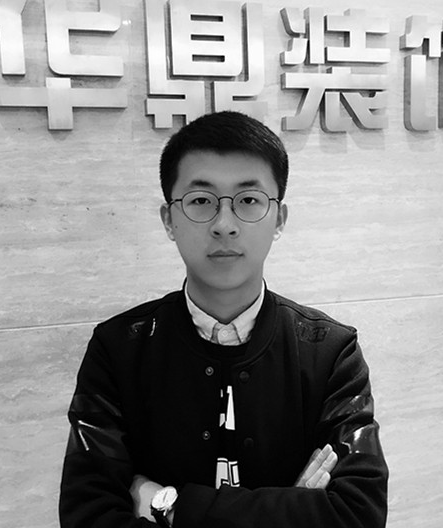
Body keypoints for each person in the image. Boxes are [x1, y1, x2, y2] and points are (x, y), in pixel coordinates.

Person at [59, 111, 388, 528]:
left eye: (248, 200)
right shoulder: (119, 349)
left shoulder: (330, 352)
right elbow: (87, 515)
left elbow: (359, 513)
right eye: (201, 201)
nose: (225, 225)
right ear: (168, 220)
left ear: (279, 219)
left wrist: (170, 506)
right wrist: (294, 509)